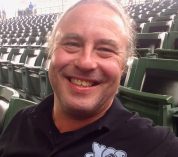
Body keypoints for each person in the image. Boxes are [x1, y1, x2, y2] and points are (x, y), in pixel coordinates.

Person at [0, 0, 178, 156]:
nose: (86, 62)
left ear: (123, 66)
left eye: (106, 49)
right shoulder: (20, 122)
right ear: (51, 53)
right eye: (71, 44)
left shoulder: (156, 146)